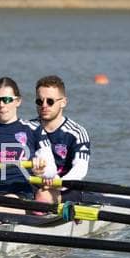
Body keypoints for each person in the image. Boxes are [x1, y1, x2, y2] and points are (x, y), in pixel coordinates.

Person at [0, 77, 56, 206]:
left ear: (18, 101)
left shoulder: (34, 129)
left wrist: (41, 171)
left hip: (19, 193)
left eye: (7, 100)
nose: (2, 105)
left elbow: (51, 169)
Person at [31, 75, 91, 203]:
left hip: (66, 188)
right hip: (34, 183)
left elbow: (80, 169)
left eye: (50, 101)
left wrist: (58, 183)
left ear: (63, 102)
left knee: (43, 196)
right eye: (39, 101)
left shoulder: (77, 133)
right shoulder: (28, 128)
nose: (44, 105)